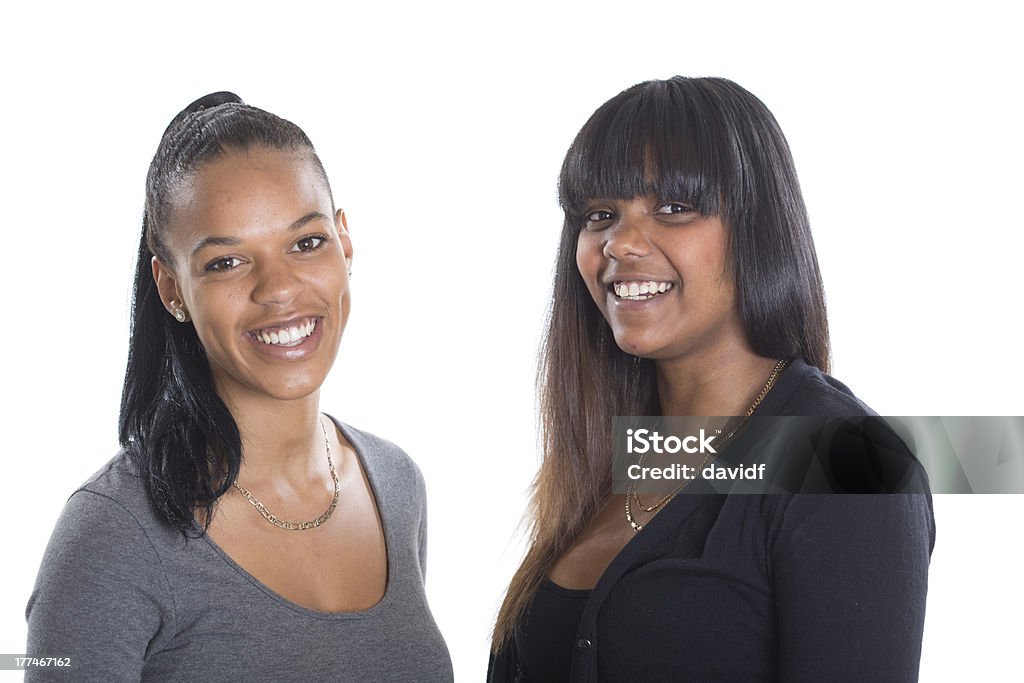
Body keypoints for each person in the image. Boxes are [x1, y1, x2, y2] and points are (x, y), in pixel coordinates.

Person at [489, 77, 934, 682]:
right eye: (599, 215)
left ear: (758, 227)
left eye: (673, 208)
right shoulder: (604, 461)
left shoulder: (852, 466)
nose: (619, 243)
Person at [26, 93, 453, 681]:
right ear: (172, 289)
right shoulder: (112, 535)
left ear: (345, 243)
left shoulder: (397, 484)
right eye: (227, 262)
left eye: (306, 243)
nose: (279, 288)